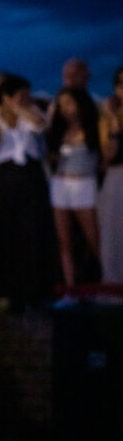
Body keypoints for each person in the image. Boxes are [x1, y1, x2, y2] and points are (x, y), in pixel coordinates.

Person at [0, 73, 55, 309]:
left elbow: (42, 126)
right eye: (20, 95)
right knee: (2, 232)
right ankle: (2, 289)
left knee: (31, 231)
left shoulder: (33, 114)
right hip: (2, 179)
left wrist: (19, 110)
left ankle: (33, 290)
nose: (26, 99)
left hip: (29, 177)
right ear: (7, 97)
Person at [47, 87, 102, 293]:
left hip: (84, 183)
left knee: (93, 237)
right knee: (64, 240)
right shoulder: (59, 130)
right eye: (62, 105)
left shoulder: (95, 127)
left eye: (69, 103)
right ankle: (70, 287)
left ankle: (103, 281)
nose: (66, 109)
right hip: (60, 184)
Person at [100, 67, 123, 284]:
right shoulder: (110, 116)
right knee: (114, 230)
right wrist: (114, 124)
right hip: (117, 175)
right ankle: (115, 282)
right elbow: (108, 154)